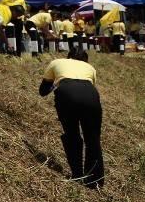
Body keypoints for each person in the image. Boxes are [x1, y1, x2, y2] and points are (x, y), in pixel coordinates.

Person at [39, 48, 103, 188]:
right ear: (85, 60)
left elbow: (43, 91)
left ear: (68, 57)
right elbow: (88, 85)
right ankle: (94, 182)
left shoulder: (56, 62)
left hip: (66, 93)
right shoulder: (90, 68)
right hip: (91, 95)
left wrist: (55, 85)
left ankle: (77, 175)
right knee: (92, 138)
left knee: (72, 134)